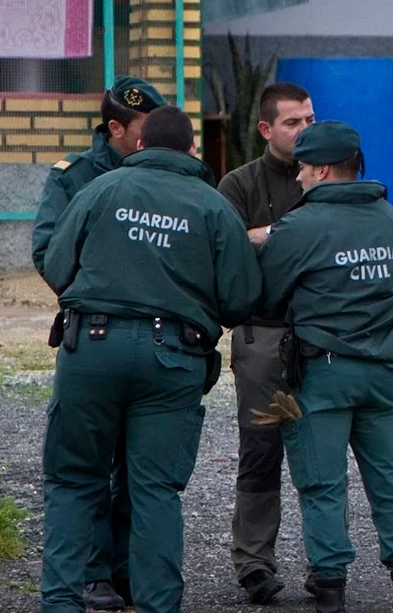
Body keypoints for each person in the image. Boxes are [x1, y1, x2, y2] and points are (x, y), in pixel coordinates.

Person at [38, 106, 260, 613]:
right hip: (173, 357)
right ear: (191, 151)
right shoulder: (214, 207)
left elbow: (55, 263)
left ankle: (61, 603)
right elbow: (242, 297)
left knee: (74, 478)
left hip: (90, 347)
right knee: (155, 489)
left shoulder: (99, 190)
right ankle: (159, 605)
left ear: (138, 146)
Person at [256, 120, 393, 613]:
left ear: (324, 168)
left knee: (322, 485)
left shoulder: (300, 225)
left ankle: (330, 590)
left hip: (324, 373)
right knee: (390, 485)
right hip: (384, 372)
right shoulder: (388, 216)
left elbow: (268, 293)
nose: (299, 178)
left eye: (304, 168)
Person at [29, 74, 166, 612]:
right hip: (97, 332)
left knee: (139, 464)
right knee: (87, 461)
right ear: (115, 129)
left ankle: (128, 569)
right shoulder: (74, 177)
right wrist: (100, 294)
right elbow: (48, 249)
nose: (152, 140)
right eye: (142, 130)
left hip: (156, 338)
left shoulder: (165, 175)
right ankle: (91, 573)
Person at [216, 81, 315, 604]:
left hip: (322, 337)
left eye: (309, 120)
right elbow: (226, 251)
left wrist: (266, 236)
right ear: (265, 129)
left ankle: (327, 563)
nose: (304, 130)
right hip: (261, 336)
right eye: (293, 122)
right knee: (260, 450)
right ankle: (254, 562)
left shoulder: (328, 174)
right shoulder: (238, 184)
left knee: (321, 450)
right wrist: (289, 235)